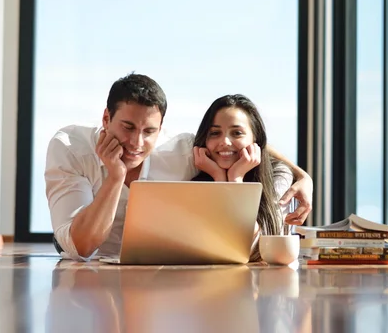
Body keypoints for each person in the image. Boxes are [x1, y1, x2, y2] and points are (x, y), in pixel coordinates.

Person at [45, 73, 312, 261]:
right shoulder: (70, 147)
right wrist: (116, 176)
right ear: (106, 117)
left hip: (157, 274)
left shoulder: (180, 150)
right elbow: (83, 247)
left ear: (161, 129)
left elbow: (238, 144)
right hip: (86, 269)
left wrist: (303, 175)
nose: (136, 142)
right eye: (128, 127)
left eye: (149, 131)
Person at [191, 94, 293, 261]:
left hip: (265, 282)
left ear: (256, 139)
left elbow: (253, 248)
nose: (224, 141)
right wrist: (219, 179)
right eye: (215, 133)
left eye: (237, 133)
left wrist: (236, 179)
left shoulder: (278, 174)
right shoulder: (196, 182)